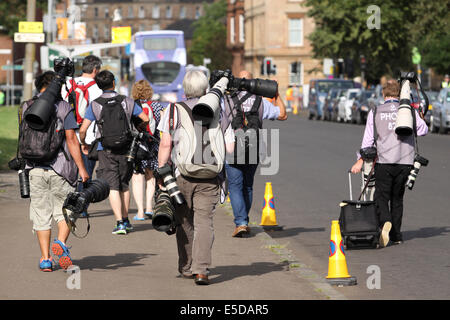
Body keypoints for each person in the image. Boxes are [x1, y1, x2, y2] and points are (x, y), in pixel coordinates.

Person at [157, 70, 233, 285]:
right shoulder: (219, 111)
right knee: (204, 224)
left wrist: (161, 172)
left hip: (182, 175)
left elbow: (165, 144)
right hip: (211, 176)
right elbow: (229, 147)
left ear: (185, 89)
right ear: (206, 89)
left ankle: (187, 266)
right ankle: (202, 270)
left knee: (184, 221)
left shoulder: (173, 110)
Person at [22, 71, 89, 271]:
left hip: (34, 168)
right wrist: (82, 169)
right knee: (67, 210)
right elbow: (71, 140)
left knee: (41, 215)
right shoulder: (63, 107)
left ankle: (45, 259)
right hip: (61, 169)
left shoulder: (26, 106)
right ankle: (60, 242)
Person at [351, 79, 428, 247]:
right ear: (400, 94)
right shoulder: (408, 111)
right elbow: (423, 130)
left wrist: (360, 160)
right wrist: (420, 117)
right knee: (397, 198)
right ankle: (397, 235)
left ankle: (385, 222)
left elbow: (368, 142)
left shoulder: (376, 111)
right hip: (405, 162)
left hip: (384, 161)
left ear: (384, 94)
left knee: (381, 196)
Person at [79, 70, 149, 235]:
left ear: (99, 86)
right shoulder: (127, 101)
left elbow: (83, 129)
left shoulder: (95, 104)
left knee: (112, 186)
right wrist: (137, 130)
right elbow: (145, 119)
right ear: (114, 83)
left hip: (105, 149)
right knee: (124, 184)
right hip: (126, 148)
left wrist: (84, 143)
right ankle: (126, 220)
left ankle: (119, 223)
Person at [223, 70, 287, 238]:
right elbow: (282, 114)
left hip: (232, 148)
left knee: (235, 186)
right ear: (255, 82)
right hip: (253, 148)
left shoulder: (226, 100)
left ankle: (241, 223)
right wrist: (276, 93)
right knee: (248, 186)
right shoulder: (260, 101)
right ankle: (244, 220)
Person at [62, 55, 103, 216]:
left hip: (68, 133)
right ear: (95, 70)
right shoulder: (96, 88)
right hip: (88, 137)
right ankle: (82, 208)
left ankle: (68, 205)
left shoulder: (68, 83)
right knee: (85, 173)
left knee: (69, 171)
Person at [130, 80, 163, 221]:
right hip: (152, 145)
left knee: (137, 178)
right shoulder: (156, 105)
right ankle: (149, 207)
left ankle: (140, 212)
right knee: (151, 176)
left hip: (136, 146)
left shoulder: (132, 106)